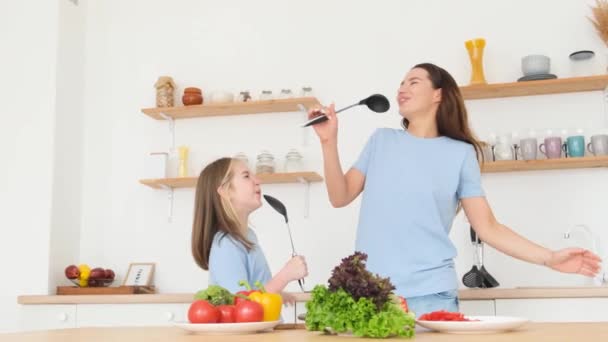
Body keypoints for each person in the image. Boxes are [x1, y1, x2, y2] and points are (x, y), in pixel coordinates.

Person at [308, 63, 602, 316]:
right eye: (400, 83)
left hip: (430, 295)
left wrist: (549, 257)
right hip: (370, 293)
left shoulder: (460, 155)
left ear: (439, 94)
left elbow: (488, 227)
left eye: (413, 81)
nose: (402, 88)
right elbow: (340, 196)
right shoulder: (381, 141)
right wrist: (328, 142)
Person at [191, 157, 308, 301]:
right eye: (246, 176)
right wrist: (285, 276)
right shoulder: (225, 245)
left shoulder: (248, 235)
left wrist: (277, 292)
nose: (258, 181)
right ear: (226, 191)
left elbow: (253, 290)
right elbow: (240, 304)